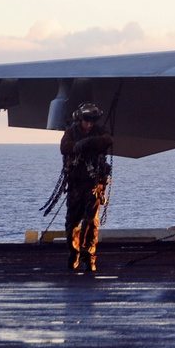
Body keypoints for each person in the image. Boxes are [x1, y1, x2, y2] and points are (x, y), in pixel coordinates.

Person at [60, 102, 113, 272]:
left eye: (93, 121)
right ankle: (74, 253)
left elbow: (107, 141)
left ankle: (88, 256)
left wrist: (88, 142)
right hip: (76, 184)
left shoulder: (100, 132)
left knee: (91, 222)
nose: (89, 124)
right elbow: (65, 147)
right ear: (80, 118)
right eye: (87, 120)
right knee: (72, 223)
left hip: (93, 185)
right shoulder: (71, 132)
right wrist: (78, 145)